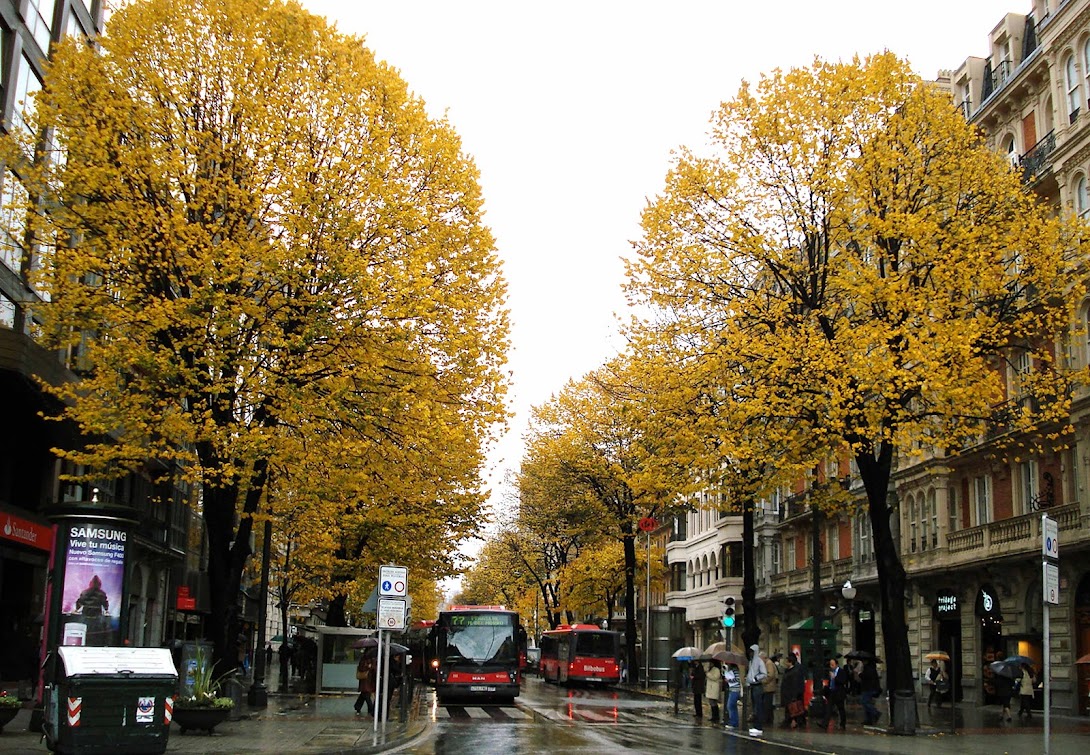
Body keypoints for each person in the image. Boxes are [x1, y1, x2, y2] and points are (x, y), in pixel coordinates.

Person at [745, 644, 768, 736]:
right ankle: (755, 726)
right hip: (752, 686)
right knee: (755, 707)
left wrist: (756, 678)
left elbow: (764, 674)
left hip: (758, 686)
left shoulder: (759, 662)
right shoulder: (751, 662)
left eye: (752, 652)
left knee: (758, 707)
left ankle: (758, 726)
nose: (750, 653)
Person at [780, 652, 806, 728]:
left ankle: (795, 721)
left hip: (791, 692)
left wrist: (794, 695)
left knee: (794, 708)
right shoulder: (788, 670)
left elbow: (795, 684)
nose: (785, 663)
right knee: (791, 708)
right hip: (787, 692)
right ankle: (792, 721)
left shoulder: (795, 671)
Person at [825, 657, 848, 729]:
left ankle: (842, 724)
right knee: (828, 708)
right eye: (830, 665)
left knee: (841, 709)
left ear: (837, 664)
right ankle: (824, 724)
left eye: (833, 665)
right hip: (832, 692)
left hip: (839, 693)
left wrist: (835, 677)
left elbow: (843, 681)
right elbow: (830, 682)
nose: (831, 666)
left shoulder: (841, 671)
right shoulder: (831, 672)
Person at [859, 658, 882, 725]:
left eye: (863, 660)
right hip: (869, 688)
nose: (862, 662)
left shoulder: (868, 668)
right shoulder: (870, 667)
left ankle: (875, 713)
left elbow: (866, 677)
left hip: (869, 688)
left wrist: (860, 674)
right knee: (866, 702)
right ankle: (868, 719)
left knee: (864, 702)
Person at [354, 651, 376, 715]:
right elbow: (361, 668)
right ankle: (371, 708)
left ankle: (357, 706)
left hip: (369, 679)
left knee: (364, 693)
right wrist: (368, 667)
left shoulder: (372, 660)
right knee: (366, 693)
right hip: (365, 679)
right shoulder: (364, 660)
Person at [760, 651, 778, 726]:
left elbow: (770, 675)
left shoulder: (769, 663)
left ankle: (767, 719)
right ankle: (768, 719)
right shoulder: (767, 663)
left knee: (767, 704)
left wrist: (763, 681)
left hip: (768, 687)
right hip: (767, 687)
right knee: (767, 704)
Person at [724, 663, 743, 729]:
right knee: (732, 706)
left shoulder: (735, 670)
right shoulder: (729, 670)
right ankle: (734, 722)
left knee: (730, 705)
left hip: (735, 690)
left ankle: (733, 722)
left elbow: (737, 679)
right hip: (732, 689)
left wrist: (729, 680)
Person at [704, 660, 722, 724]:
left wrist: (708, 674)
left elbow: (715, 677)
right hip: (710, 687)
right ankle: (714, 715)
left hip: (713, 687)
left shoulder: (716, 669)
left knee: (713, 702)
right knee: (711, 702)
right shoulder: (710, 669)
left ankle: (716, 716)